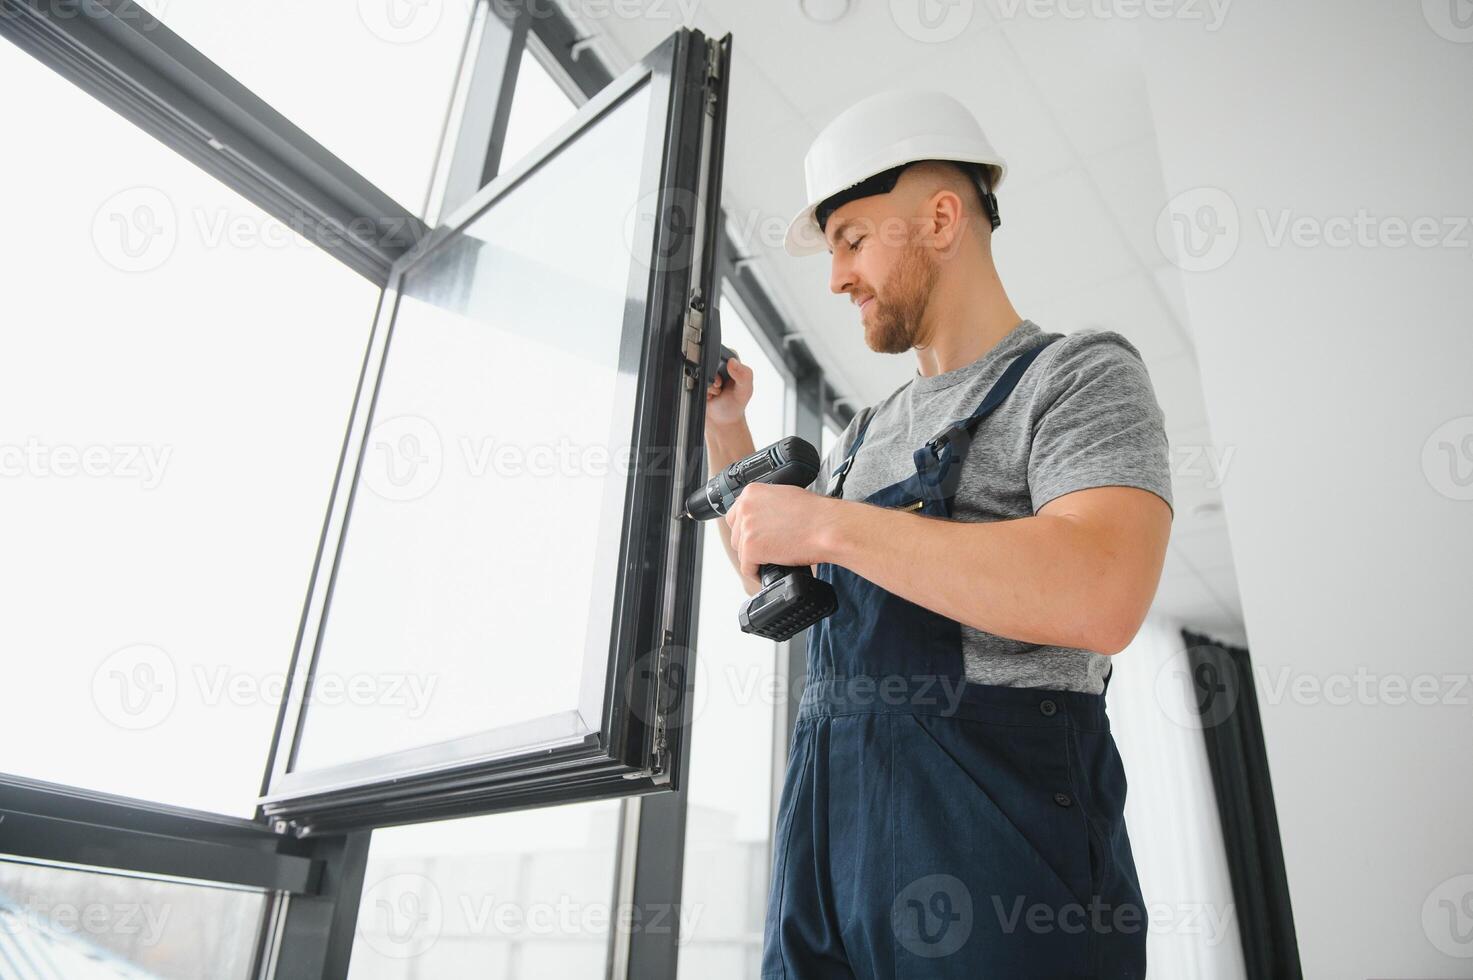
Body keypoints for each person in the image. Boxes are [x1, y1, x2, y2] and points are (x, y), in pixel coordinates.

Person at [702, 89, 1174, 978]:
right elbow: (785, 590)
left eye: (849, 240)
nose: (836, 278)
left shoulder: (1074, 376)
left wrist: (832, 525)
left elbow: (1101, 591)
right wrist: (725, 429)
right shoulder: (863, 432)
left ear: (941, 218)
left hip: (994, 861)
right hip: (826, 847)